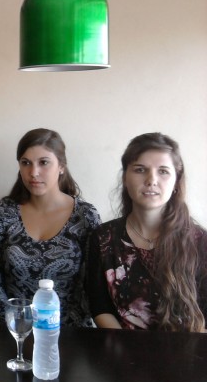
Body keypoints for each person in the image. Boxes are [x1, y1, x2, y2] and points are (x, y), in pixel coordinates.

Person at [87, 133, 207, 331]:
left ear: (176, 181)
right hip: (122, 347)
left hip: (186, 348)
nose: (151, 180)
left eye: (163, 171)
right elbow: (100, 306)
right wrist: (127, 347)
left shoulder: (200, 241)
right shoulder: (103, 237)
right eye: (140, 170)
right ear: (125, 178)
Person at [0, 128, 101, 327]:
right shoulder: (4, 211)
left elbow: (94, 284)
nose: (33, 172)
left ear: (61, 166)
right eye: (26, 163)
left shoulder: (85, 216)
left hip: (70, 331)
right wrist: (15, 321)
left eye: (44, 162)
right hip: (14, 329)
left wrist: (58, 329)